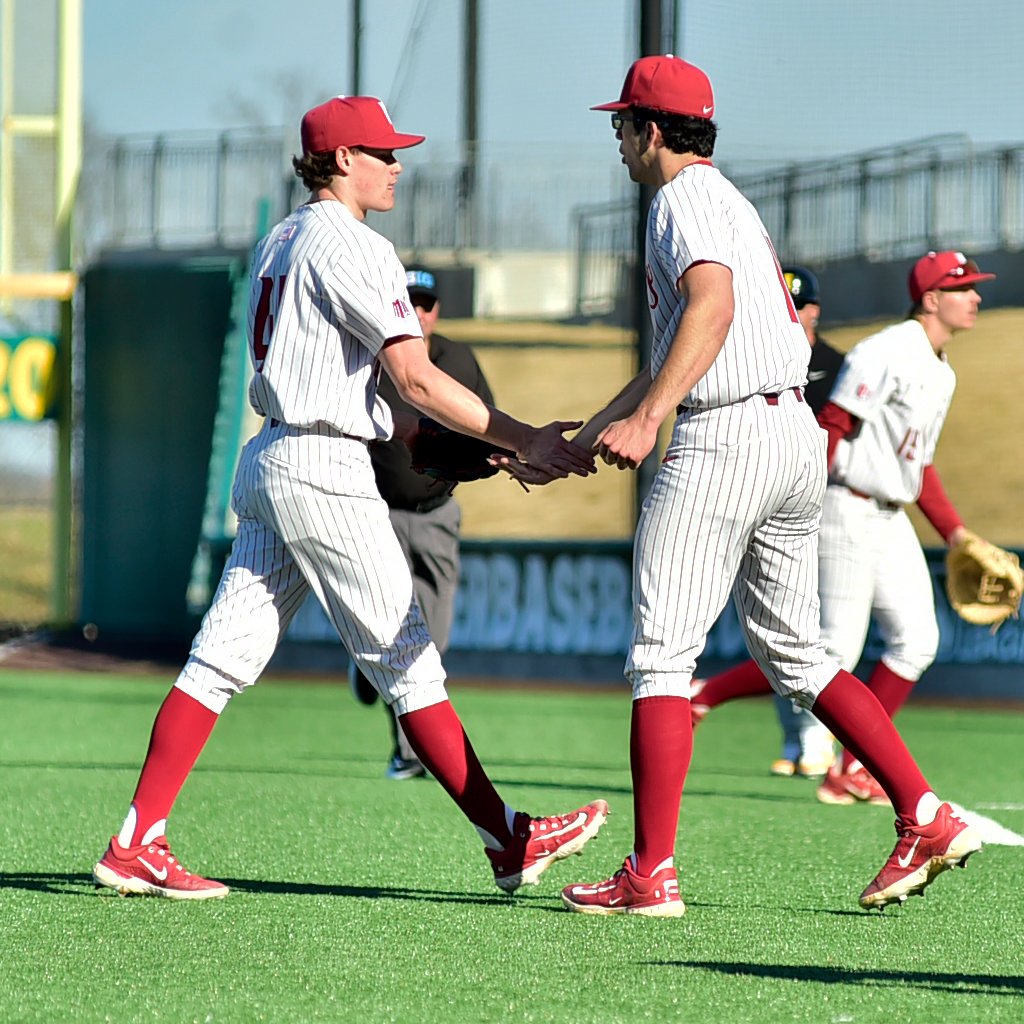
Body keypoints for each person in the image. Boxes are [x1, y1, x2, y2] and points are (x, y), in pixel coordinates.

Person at [91, 94, 606, 901]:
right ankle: (508, 840)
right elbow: (415, 378)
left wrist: (484, 451)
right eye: (382, 151)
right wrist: (521, 438)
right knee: (407, 660)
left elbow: (380, 390)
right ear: (339, 159)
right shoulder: (356, 246)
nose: (397, 165)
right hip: (324, 466)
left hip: (271, 458)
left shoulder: (280, 238)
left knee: (218, 659)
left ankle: (136, 839)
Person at [553, 56, 981, 917]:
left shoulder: (678, 201)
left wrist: (652, 421)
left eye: (622, 124)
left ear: (651, 129)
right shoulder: (725, 198)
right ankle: (924, 813)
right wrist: (602, 425)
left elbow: (708, 310)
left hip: (727, 433)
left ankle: (650, 874)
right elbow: (687, 337)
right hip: (787, 438)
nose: (619, 139)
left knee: (661, 654)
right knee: (804, 654)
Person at [690, 251, 996, 806]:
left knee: (918, 642)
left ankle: (853, 767)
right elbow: (832, 425)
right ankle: (705, 693)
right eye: (964, 287)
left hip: (890, 512)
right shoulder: (886, 351)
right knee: (830, 652)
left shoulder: (940, 367)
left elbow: (917, 465)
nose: (976, 297)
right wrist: (800, 508)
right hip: (845, 505)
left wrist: (957, 534)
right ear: (931, 298)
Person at [692, 265, 844, 779]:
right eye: (784, 304)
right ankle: (796, 740)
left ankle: (810, 740)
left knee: (805, 635)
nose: (792, 314)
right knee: (783, 630)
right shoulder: (756, 359)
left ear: (815, 312)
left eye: (798, 307)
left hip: (824, 497)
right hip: (771, 491)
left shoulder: (833, 364)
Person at [349, 265, 494, 781]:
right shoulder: (371, 356)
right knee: (396, 632)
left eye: (427, 303)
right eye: (409, 302)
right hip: (377, 512)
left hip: (436, 515)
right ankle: (408, 754)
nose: (420, 312)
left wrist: (508, 455)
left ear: (438, 310)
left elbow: (484, 421)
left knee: (434, 639)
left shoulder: (457, 358)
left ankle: (369, 675)